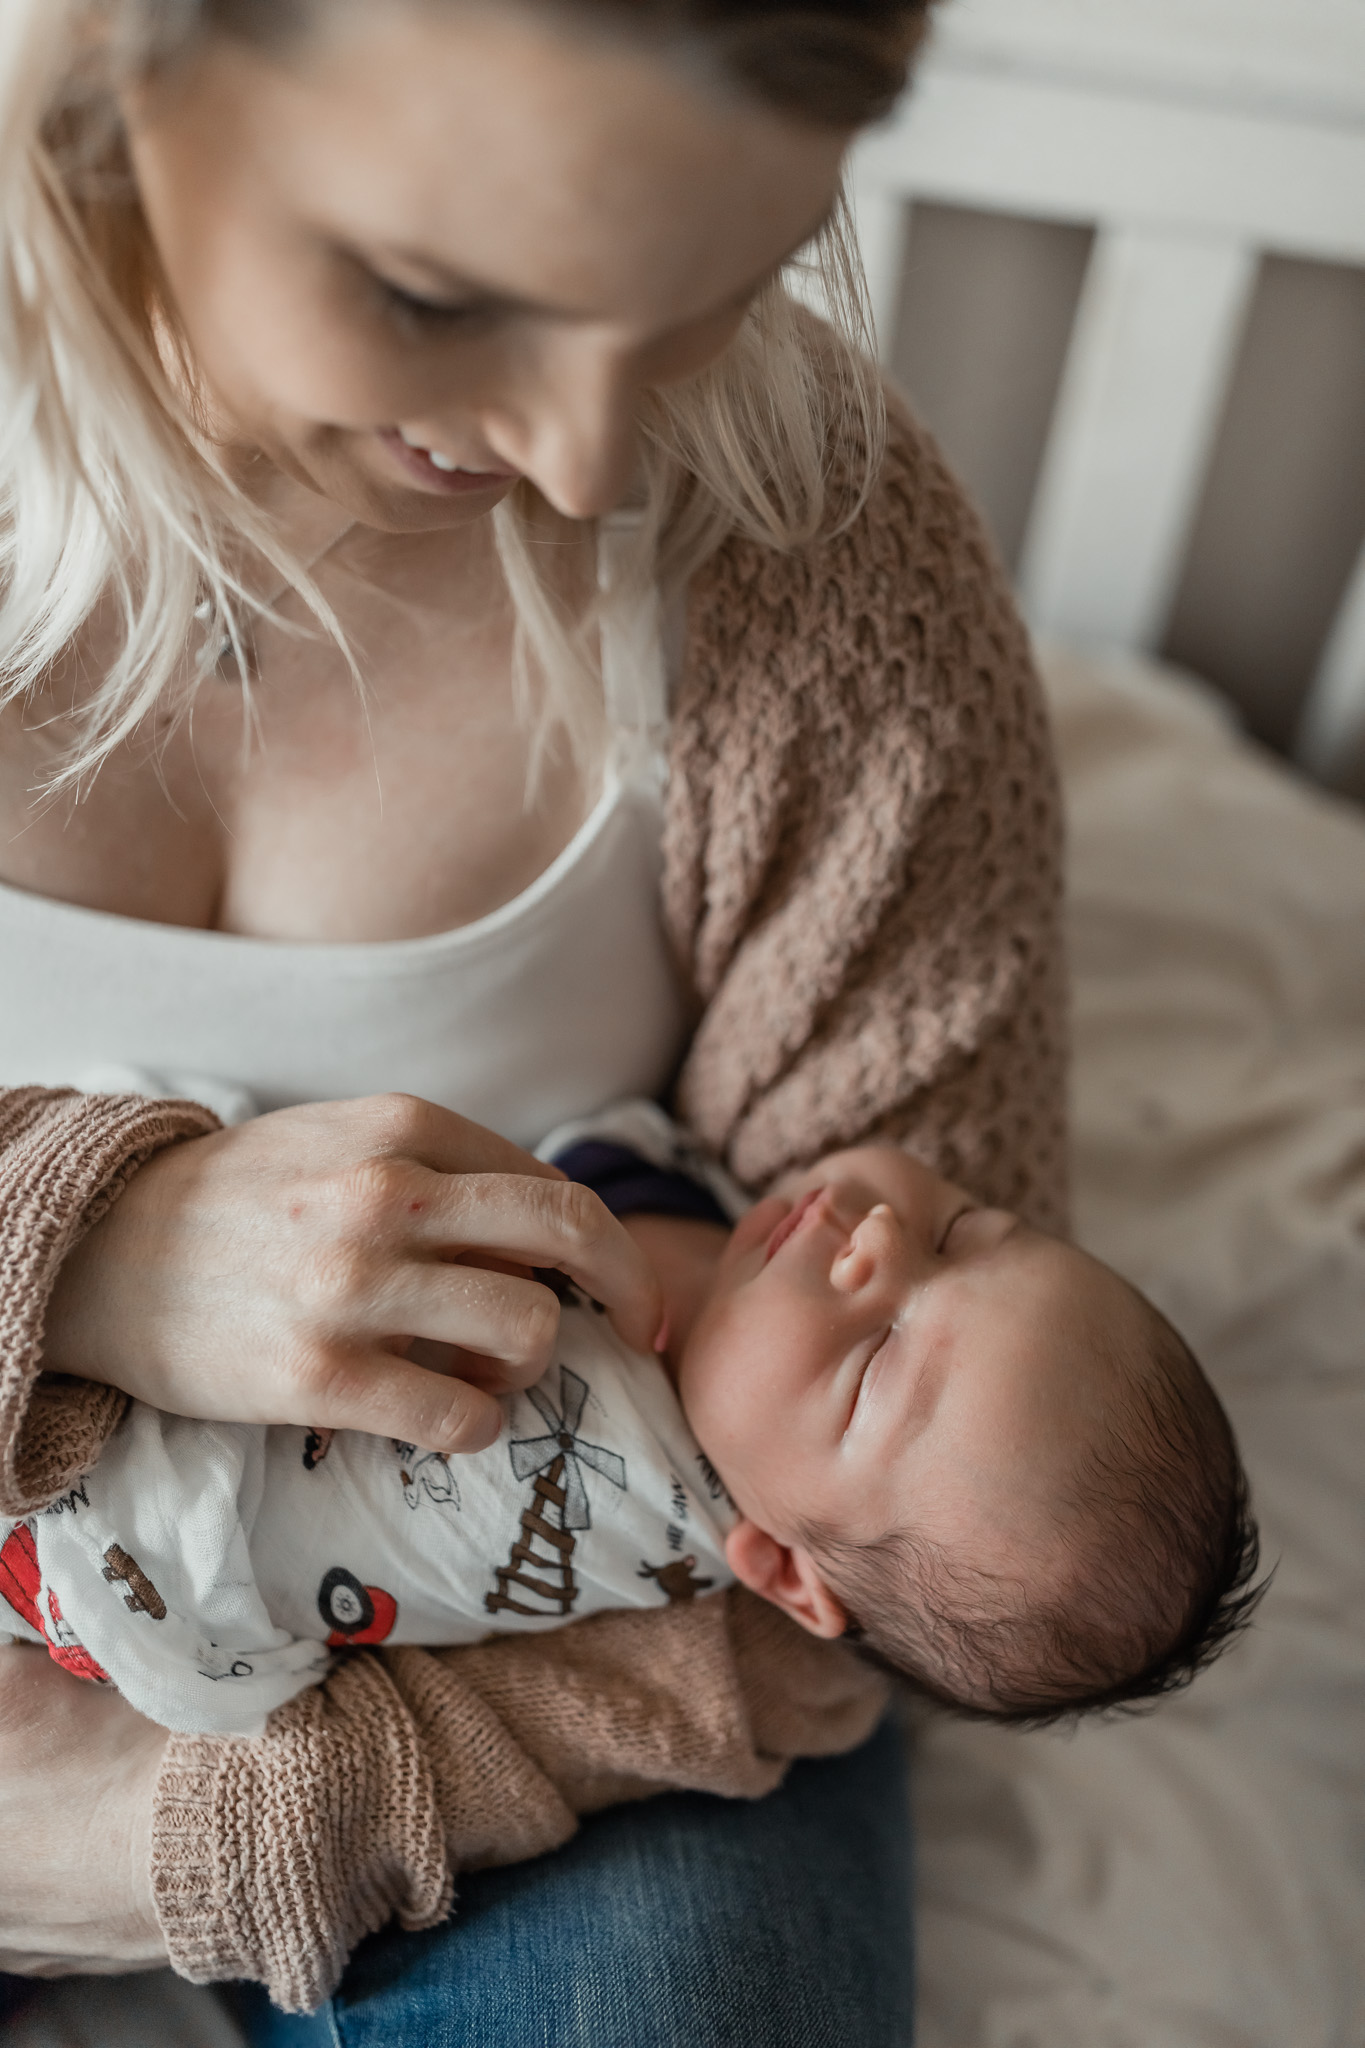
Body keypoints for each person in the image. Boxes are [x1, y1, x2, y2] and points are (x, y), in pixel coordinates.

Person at [0, 0, 1071, 2038]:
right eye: (434, 292)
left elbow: (913, 1550)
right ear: (104, 76)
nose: (577, 458)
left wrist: (207, 1826)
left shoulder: (814, 554)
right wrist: (88, 1255)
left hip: (533, 1635)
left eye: (706, 298)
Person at [9, 1112, 1260, 1738]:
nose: (879, 1236)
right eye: (969, 1226)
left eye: (879, 1363)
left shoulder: (574, 1475)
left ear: (775, 1562)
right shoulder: (734, 1282)